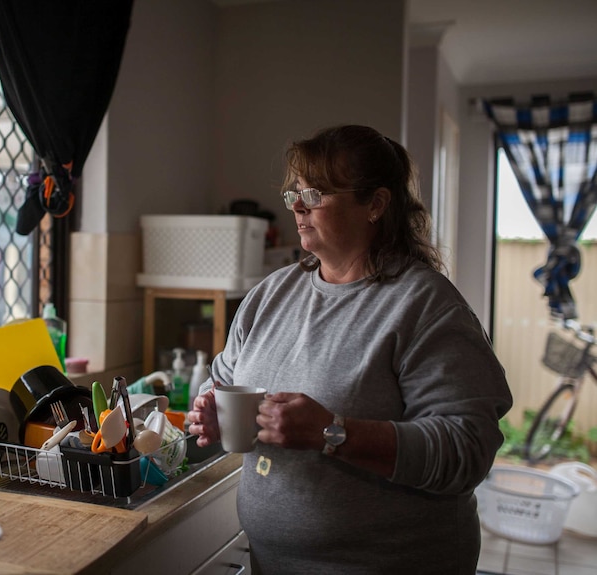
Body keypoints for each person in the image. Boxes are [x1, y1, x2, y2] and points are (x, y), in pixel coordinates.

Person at [187, 124, 513, 574]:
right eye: (295, 193)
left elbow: (467, 448)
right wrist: (211, 409)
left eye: (317, 194)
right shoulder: (270, 295)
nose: (298, 206)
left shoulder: (424, 306)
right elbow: (222, 380)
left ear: (375, 205)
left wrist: (333, 432)